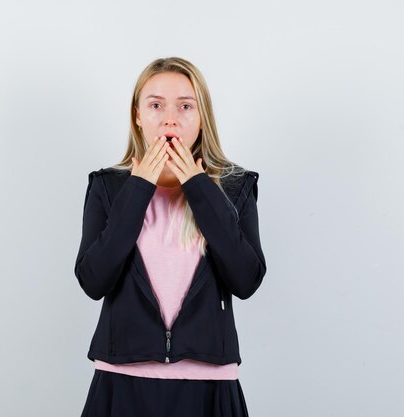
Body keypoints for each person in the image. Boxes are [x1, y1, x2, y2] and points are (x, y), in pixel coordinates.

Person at [74, 57, 267, 417]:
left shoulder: (235, 187)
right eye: (156, 105)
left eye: (185, 106)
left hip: (211, 384)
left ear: (202, 116)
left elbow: (246, 280)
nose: (170, 119)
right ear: (137, 115)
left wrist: (197, 186)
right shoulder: (108, 187)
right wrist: (139, 187)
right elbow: (93, 280)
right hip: (121, 380)